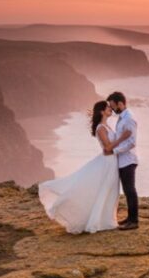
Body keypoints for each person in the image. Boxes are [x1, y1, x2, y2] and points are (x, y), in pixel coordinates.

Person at [37, 100, 133, 233]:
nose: (110, 109)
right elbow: (107, 148)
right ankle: (99, 222)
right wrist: (123, 138)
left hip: (111, 162)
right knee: (106, 190)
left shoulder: (107, 126)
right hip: (107, 163)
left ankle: (107, 220)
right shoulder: (101, 128)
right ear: (101, 111)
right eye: (107, 108)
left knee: (111, 191)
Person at [107, 91, 139, 230]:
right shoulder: (122, 117)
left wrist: (114, 151)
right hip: (122, 160)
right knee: (127, 191)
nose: (113, 109)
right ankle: (130, 218)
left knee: (130, 190)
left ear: (120, 103)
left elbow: (132, 142)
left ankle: (134, 221)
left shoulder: (129, 119)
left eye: (114, 106)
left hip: (128, 160)